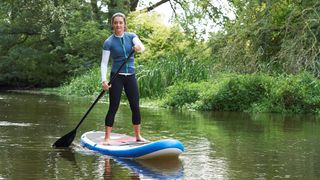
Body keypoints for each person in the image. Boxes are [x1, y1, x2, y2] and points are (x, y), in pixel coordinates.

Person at [100, 12, 146, 145]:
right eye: (116, 23)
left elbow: (141, 47)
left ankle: (138, 136)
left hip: (130, 76)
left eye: (121, 22)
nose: (118, 25)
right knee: (113, 106)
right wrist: (104, 80)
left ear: (124, 24)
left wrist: (138, 48)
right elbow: (104, 63)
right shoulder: (109, 42)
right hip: (116, 77)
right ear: (112, 25)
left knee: (135, 106)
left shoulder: (131, 36)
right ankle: (107, 138)